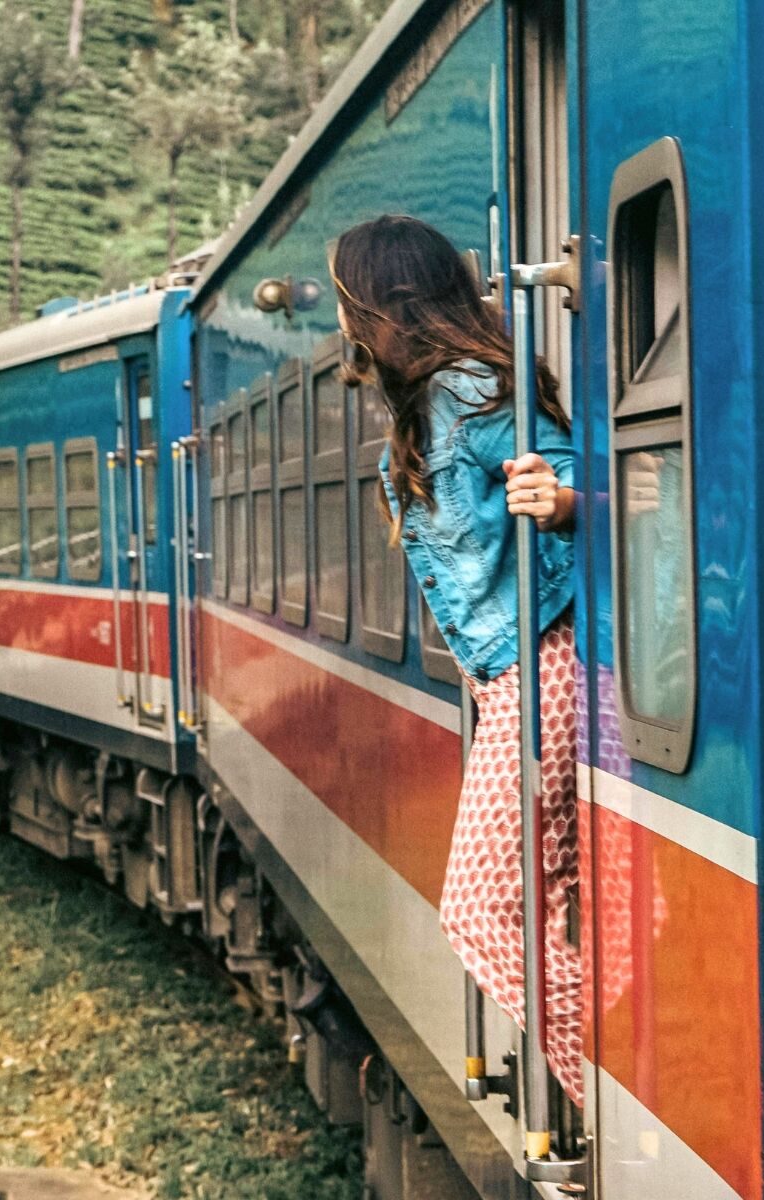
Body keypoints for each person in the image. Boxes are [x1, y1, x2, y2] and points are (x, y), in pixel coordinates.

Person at [328, 213, 587, 1107]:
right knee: (547, 901)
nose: (341, 320)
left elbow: (572, 475)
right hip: (509, 678)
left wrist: (560, 500)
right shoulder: (427, 400)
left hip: (540, 667)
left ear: (384, 303)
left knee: (480, 915)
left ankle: (606, 1088)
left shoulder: (475, 388)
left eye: (347, 299)